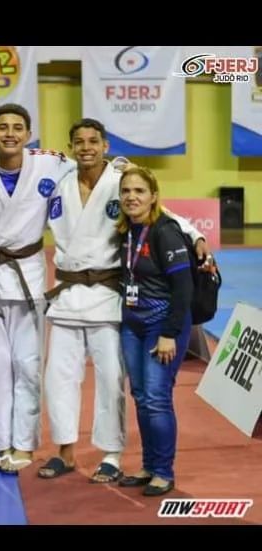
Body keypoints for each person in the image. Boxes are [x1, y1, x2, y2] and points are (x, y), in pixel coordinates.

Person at [40, 119, 207, 481]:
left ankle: (112, 454)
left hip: (106, 297)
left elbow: (163, 212)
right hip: (66, 295)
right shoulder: (59, 183)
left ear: (105, 145)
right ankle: (64, 451)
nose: (86, 147)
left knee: (112, 379)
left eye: (93, 141)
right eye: (79, 142)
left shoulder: (120, 180)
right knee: (58, 378)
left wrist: (196, 236)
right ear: (71, 147)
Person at [0, 104, 75, 474]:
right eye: (3, 127)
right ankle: (1, 443)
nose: (10, 133)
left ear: (29, 135)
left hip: (28, 276)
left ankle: (24, 445)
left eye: (17, 127)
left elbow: (101, 170)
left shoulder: (51, 164)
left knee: (28, 366)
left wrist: (190, 232)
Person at [116, 165, 193, 496]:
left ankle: (163, 471)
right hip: (132, 323)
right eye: (126, 191)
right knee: (141, 396)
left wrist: (169, 333)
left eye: (139, 191)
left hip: (162, 324)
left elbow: (184, 288)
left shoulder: (165, 231)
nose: (131, 197)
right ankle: (149, 466)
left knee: (157, 398)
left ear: (154, 196)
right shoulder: (126, 230)